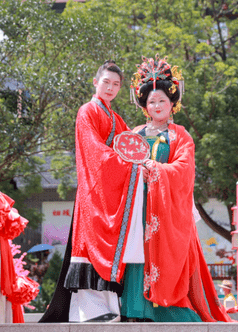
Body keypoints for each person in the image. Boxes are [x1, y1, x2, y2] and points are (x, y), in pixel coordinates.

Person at [119, 56, 233, 322]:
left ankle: (168, 309)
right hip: (139, 205)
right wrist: (137, 172)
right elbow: (121, 165)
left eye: (162, 100)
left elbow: (184, 170)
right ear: (145, 106)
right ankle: (135, 309)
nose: (156, 105)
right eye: (151, 102)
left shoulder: (181, 135)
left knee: (168, 257)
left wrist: (154, 170)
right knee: (138, 251)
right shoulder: (133, 133)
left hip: (167, 208)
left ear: (172, 104)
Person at [40, 60, 140, 323]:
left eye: (116, 84)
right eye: (106, 82)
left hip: (110, 192)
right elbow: (94, 150)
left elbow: (133, 146)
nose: (110, 87)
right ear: (95, 82)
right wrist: (127, 164)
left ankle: (108, 307)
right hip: (94, 190)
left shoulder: (116, 118)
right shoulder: (87, 111)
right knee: (90, 244)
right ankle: (88, 310)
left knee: (109, 246)